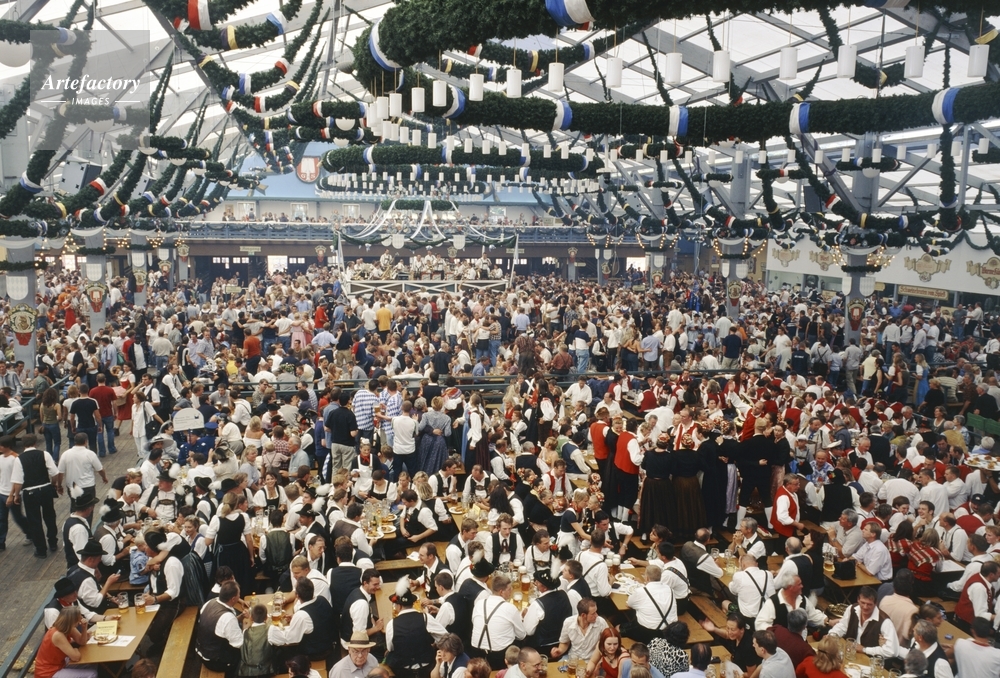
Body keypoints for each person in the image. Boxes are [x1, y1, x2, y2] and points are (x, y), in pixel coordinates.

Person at [9, 433, 61, 558]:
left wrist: (16, 495)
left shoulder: (19, 459)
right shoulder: (44, 454)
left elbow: (18, 481)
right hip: (45, 489)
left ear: (23, 444)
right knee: (50, 516)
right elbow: (55, 472)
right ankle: (53, 542)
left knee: (34, 521)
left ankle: (41, 549)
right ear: (35, 443)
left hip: (30, 492)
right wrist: (53, 484)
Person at [385, 576, 446, 678]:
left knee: (388, 654)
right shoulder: (426, 617)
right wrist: (434, 644)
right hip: (426, 669)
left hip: (404, 672)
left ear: (399, 606)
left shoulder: (391, 624)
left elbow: (390, 647)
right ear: (413, 603)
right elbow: (444, 636)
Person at [269, 577, 336, 664]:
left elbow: (290, 638)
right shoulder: (322, 599)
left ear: (297, 596)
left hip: (316, 653)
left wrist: (271, 628)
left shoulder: (301, 615)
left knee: (280, 656)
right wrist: (295, 618)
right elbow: (318, 617)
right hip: (329, 645)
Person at [470, 574, 525, 669]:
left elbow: (473, 621)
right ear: (501, 592)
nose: (511, 591)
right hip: (499, 655)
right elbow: (521, 635)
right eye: (509, 589)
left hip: (476, 651)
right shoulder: (510, 608)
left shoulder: (479, 603)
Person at [828, 586, 899, 659]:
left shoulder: (885, 622)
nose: (865, 607)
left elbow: (891, 651)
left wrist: (864, 650)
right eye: (863, 603)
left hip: (870, 661)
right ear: (858, 600)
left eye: (869, 604)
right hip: (849, 655)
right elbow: (842, 626)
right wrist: (831, 635)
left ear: (875, 603)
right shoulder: (851, 609)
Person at [195, 581, 244, 678]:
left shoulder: (210, 603)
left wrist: (241, 617)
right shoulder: (228, 617)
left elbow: (220, 626)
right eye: (239, 594)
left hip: (202, 652)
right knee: (249, 654)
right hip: (216, 661)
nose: (239, 596)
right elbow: (239, 644)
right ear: (233, 599)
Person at [34, 607, 96, 678]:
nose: (81, 618)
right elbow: (75, 657)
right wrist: (75, 650)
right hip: (48, 672)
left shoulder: (69, 627)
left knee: (92, 663)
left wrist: (84, 628)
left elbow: (81, 642)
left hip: (60, 664)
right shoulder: (58, 635)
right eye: (79, 617)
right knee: (92, 674)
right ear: (73, 620)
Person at [622, 564, 677, 643]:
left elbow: (630, 604)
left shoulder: (641, 591)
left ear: (647, 578)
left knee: (619, 627)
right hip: (669, 631)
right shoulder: (670, 589)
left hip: (648, 632)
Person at [552, 598, 608, 663]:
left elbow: (607, 645)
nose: (597, 615)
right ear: (583, 615)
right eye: (593, 613)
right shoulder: (568, 622)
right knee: (557, 667)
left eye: (596, 612)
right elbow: (565, 642)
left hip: (593, 661)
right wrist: (560, 650)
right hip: (573, 659)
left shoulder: (601, 622)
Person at [238, 604, 276, 678]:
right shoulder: (270, 629)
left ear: (251, 617)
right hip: (265, 672)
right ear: (266, 617)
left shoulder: (245, 631)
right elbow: (283, 641)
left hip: (246, 673)